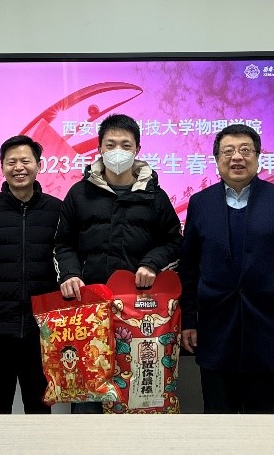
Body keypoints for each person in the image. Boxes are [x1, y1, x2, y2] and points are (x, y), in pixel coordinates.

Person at [53, 113, 182, 413]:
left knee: (139, 394)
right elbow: (63, 243)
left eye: (126, 145)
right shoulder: (79, 194)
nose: (118, 151)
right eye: (110, 145)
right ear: (99, 148)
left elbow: (175, 243)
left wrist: (152, 264)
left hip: (141, 313)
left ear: (137, 149)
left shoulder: (155, 196)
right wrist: (69, 274)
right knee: (89, 397)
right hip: (90, 310)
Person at [180, 123, 274, 414]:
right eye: (228, 151)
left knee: (261, 419)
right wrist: (188, 320)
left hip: (265, 327)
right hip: (214, 328)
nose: (237, 157)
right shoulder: (200, 203)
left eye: (245, 150)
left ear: (258, 157)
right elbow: (188, 269)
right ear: (217, 159)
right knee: (218, 418)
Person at [0, 135, 61, 414]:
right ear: (2, 166)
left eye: (25, 161)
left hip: (41, 329)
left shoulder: (57, 210)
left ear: (39, 165)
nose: (19, 167)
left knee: (39, 407)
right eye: (11, 162)